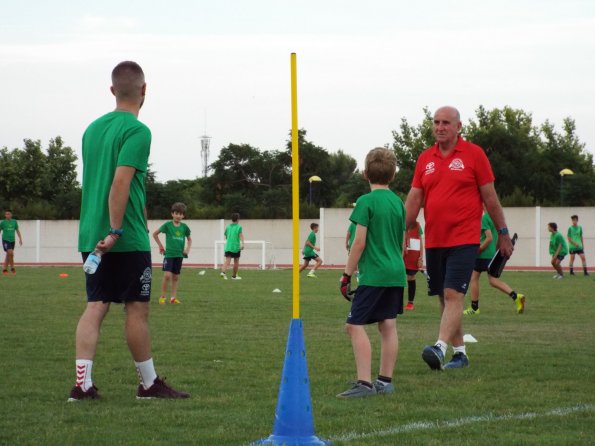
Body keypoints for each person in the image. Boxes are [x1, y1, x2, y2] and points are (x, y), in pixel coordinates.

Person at [70, 61, 188, 401]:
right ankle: (149, 384)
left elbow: (112, 183)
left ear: (112, 91)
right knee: (136, 308)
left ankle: (82, 385)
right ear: (144, 90)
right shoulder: (138, 130)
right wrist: (116, 230)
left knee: (96, 305)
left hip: (89, 235)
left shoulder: (92, 129)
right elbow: (120, 182)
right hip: (123, 237)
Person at [405, 106, 514, 371]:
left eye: (445, 122)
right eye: (436, 122)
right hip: (435, 239)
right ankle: (460, 353)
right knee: (444, 297)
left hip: (465, 240)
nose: (439, 127)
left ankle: (439, 347)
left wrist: (503, 233)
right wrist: (400, 230)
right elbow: (415, 198)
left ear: (458, 126)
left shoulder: (474, 154)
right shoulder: (425, 159)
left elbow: (491, 198)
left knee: (453, 293)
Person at [337, 147, 406, 398]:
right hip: (395, 272)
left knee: (354, 326)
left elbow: (359, 242)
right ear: (394, 175)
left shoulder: (365, 202)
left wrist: (346, 275)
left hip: (375, 274)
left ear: (365, 173)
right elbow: (400, 241)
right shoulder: (398, 203)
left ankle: (364, 384)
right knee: (388, 325)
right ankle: (385, 382)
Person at [464, 210, 525, 315]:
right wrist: (496, 252)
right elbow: (498, 237)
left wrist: (478, 251)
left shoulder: (484, 218)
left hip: (482, 254)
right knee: (492, 280)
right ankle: (516, 296)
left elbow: (489, 238)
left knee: (474, 278)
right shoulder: (495, 218)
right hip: (491, 254)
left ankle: (474, 308)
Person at [153, 202, 192, 304]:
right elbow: (155, 234)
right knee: (167, 276)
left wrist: (187, 250)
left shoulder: (184, 227)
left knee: (175, 277)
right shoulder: (167, 225)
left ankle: (173, 298)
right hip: (169, 254)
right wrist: (161, 246)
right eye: (176, 213)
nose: (178, 216)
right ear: (172, 214)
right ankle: (162, 297)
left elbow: (189, 239)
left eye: (180, 214)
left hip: (179, 255)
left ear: (183, 215)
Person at [403, 221, 424, 311]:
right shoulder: (400, 222)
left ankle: (410, 302)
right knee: (398, 277)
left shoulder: (417, 225)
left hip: (412, 255)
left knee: (411, 277)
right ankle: (397, 302)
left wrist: (421, 257)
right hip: (401, 254)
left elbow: (420, 242)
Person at [220, 212, 244, 280]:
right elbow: (241, 236)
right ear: (238, 219)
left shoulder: (228, 226)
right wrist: (242, 244)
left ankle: (223, 272)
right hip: (235, 247)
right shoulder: (239, 227)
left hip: (228, 246)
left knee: (227, 260)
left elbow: (226, 236)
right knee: (236, 261)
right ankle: (234, 276)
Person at [1, 210, 23, 275]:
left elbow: (17, 230)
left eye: (8, 214)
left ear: (11, 215)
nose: (7, 215)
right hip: (5, 240)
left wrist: (20, 238)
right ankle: (12, 268)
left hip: (12, 240)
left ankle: (4, 269)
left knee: (9, 254)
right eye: (6, 214)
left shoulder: (14, 222)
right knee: (10, 253)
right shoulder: (3, 222)